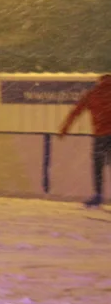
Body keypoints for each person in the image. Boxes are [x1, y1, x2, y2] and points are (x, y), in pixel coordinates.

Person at [59, 74, 111, 208]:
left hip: (100, 136)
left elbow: (75, 112)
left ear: (99, 82)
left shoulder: (92, 94)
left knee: (98, 167)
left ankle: (98, 195)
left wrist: (65, 128)